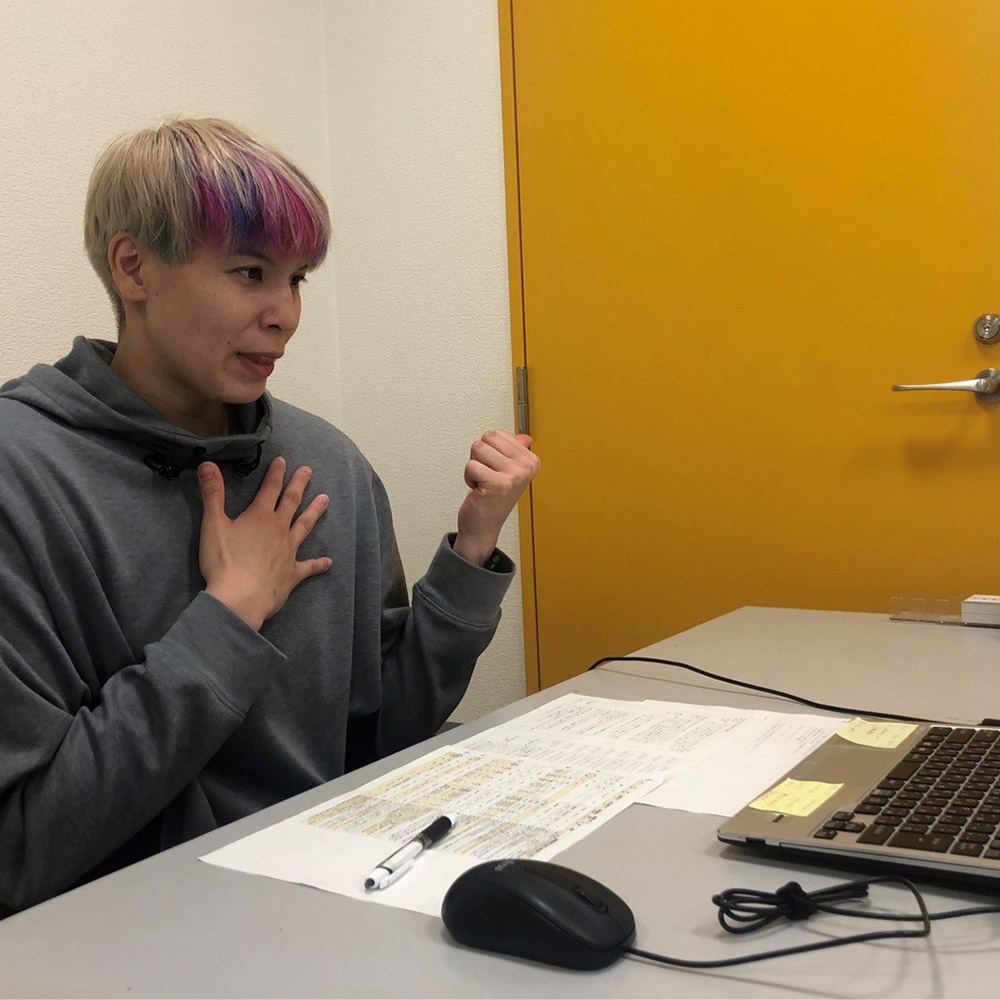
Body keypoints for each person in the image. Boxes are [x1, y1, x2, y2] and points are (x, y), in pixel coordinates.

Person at [0, 118, 539, 915]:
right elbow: (22, 852)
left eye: (297, 280)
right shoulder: (20, 482)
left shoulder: (327, 465)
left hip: (331, 904)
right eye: (250, 273)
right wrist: (228, 617)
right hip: (123, 936)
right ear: (133, 266)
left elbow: (378, 736)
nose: (285, 313)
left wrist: (473, 549)